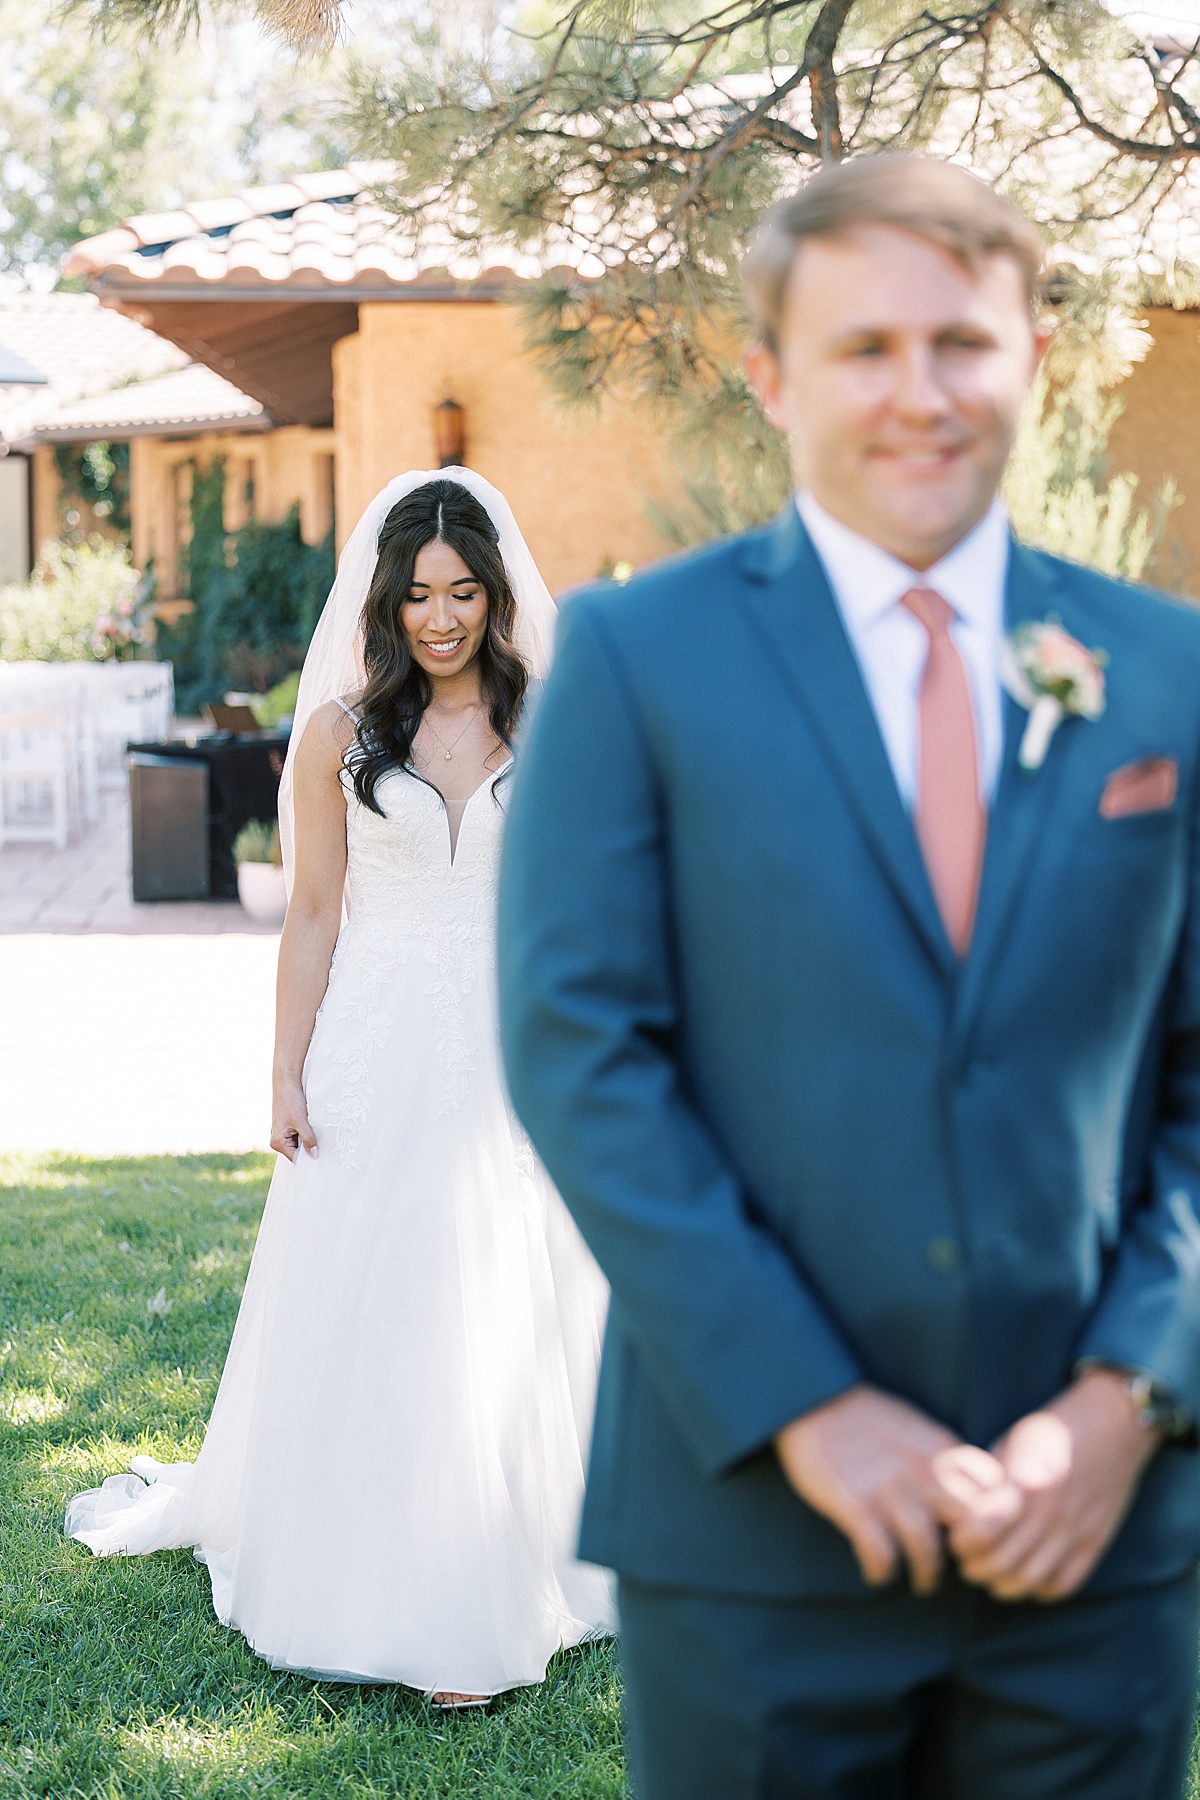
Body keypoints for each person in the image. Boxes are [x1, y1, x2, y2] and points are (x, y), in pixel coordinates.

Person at [498, 155, 1200, 1797]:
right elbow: (581, 1053)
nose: (920, 393)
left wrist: (1125, 1401)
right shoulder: (635, 659)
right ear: (771, 375)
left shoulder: (1171, 668)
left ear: (1034, 354)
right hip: (751, 1527)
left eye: (961, 341)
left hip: (1094, 1538)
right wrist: (809, 1405)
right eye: (864, 348)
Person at [66, 471, 615, 1706]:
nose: (441, 617)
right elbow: (312, 914)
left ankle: (520, 1558)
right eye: (418, 593)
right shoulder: (340, 734)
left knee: (511, 1291)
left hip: (512, 1040)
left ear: (495, 594)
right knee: (393, 1293)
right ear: (384, 598)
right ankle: (386, 1577)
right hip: (378, 1039)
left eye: (463, 592)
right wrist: (284, 1072)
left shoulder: (553, 719)